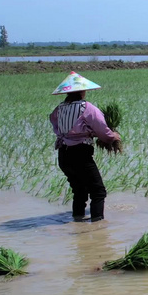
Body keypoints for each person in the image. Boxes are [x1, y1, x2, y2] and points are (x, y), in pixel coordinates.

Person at [49, 71, 121, 223]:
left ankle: (77, 220)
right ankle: (98, 225)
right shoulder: (87, 108)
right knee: (98, 191)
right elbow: (102, 130)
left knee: (79, 190)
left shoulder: (59, 109)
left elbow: (56, 124)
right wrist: (113, 136)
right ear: (82, 91)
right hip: (81, 154)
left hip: (63, 154)